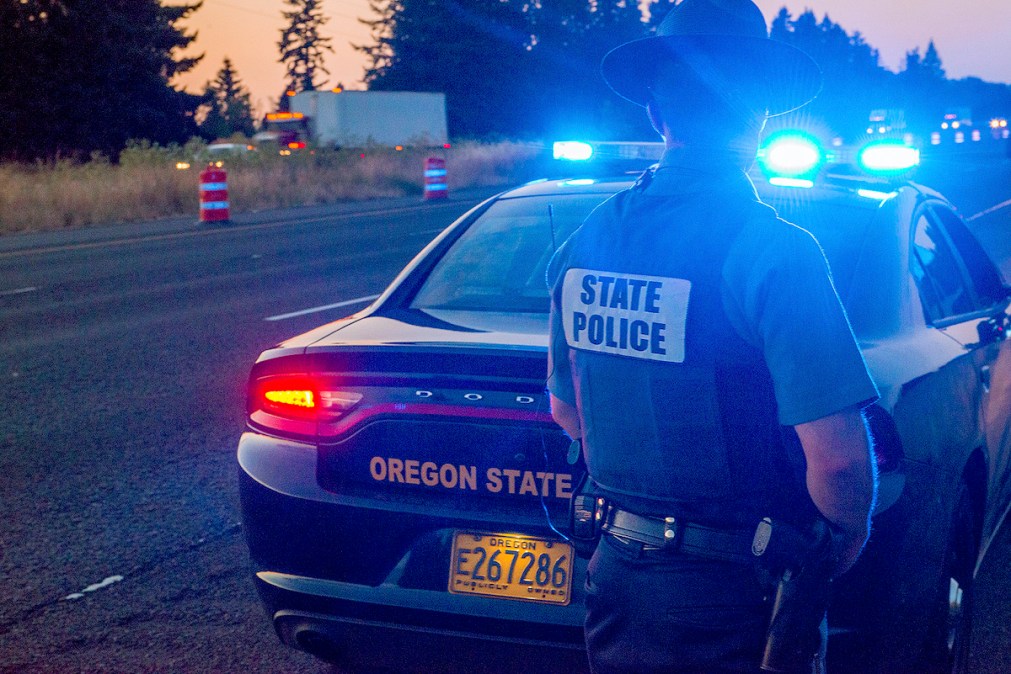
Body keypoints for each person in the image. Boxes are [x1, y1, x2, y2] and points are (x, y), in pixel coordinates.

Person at [545, 1, 880, 672]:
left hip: (615, 577)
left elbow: (567, 411)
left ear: (655, 114)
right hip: (736, 596)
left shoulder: (587, 238)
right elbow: (837, 460)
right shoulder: (774, 250)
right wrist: (844, 537)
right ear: (758, 117)